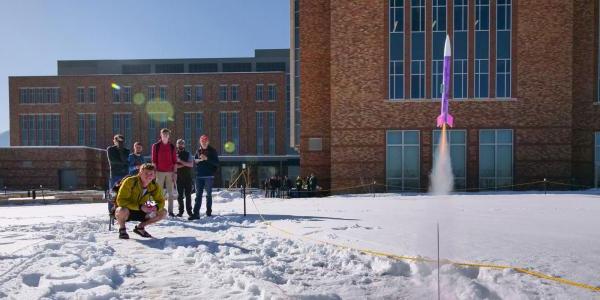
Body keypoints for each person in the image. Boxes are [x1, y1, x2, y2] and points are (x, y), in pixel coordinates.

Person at [115, 163, 167, 239]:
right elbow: (120, 201)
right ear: (140, 173)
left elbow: (161, 201)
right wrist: (140, 207)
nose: (149, 176)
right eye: (146, 173)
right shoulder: (130, 181)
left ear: (154, 175)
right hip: (128, 209)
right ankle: (122, 229)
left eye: (151, 174)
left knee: (163, 212)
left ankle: (140, 227)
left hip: (143, 208)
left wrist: (156, 207)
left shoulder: (154, 185)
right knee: (121, 209)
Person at [191, 135, 219, 220]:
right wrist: (197, 161)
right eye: (202, 141)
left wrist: (207, 158)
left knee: (208, 195)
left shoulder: (212, 151)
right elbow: (195, 161)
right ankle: (196, 213)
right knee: (198, 195)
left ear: (208, 141)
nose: (203, 142)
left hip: (209, 176)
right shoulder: (198, 150)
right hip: (199, 175)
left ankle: (208, 212)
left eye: (205, 141)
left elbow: (216, 163)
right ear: (200, 142)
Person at [151, 128, 178, 217]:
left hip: (170, 172)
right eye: (164, 134)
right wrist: (154, 172)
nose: (165, 136)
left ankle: (170, 211)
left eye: (167, 135)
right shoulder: (156, 146)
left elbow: (175, 161)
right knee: (158, 193)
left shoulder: (172, 146)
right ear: (161, 135)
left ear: (169, 136)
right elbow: (154, 160)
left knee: (171, 193)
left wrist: (175, 173)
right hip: (159, 172)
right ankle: (158, 210)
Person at [107, 134, 130, 212]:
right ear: (113, 141)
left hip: (124, 174)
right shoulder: (110, 149)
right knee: (113, 193)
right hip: (114, 174)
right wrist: (123, 162)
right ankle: (111, 211)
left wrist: (120, 149)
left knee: (124, 193)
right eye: (117, 140)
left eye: (121, 141)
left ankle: (123, 210)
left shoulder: (126, 151)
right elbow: (113, 161)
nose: (118, 142)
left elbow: (125, 160)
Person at [175, 139, 194, 217]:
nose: (180, 145)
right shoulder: (174, 154)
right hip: (178, 177)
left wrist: (180, 161)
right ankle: (180, 212)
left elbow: (191, 165)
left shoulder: (188, 153)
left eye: (182, 143)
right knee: (179, 196)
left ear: (184, 145)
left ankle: (189, 212)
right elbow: (174, 166)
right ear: (177, 145)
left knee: (188, 195)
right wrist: (185, 164)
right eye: (179, 143)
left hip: (188, 177)